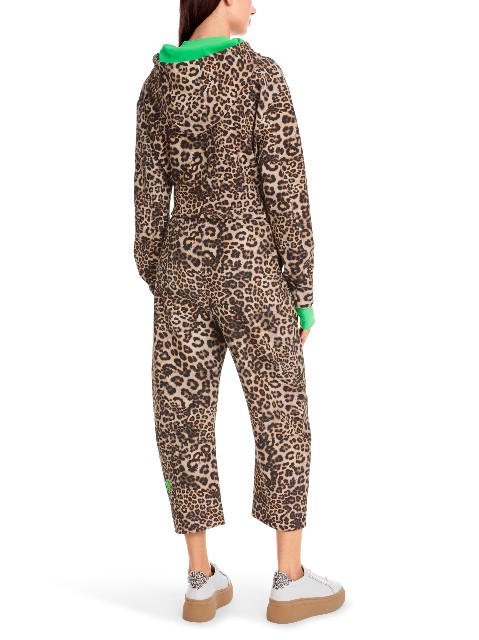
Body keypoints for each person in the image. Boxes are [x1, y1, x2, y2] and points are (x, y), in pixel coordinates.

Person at [133, 0, 345, 624]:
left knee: (181, 419)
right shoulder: (259, 75)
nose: (256, 6)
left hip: (182, 272)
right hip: (254, 270)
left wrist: (167, 276)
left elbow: (147, 206)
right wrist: (301, 292)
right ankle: (289, 578)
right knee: (282, 414)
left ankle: (200, 579)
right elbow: (286, 190)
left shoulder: (156, 88)